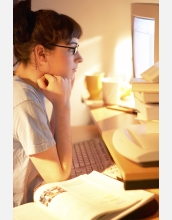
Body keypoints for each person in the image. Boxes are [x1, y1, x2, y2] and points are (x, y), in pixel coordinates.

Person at [13, 0, 83, 207]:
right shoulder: (24, 101)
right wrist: (64, 106)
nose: (79, 58)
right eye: (72, 48)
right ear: (41, 53)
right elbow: (58, 176)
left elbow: (49, 145)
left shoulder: (28, 89)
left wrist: (59, 101)